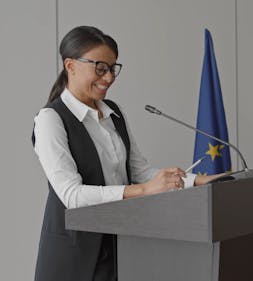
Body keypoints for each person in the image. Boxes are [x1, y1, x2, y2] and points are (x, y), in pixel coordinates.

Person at [32, 26, 219, 281]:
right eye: (100, 68)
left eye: (112, 68)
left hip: (122, 242)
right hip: (75, 254)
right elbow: (72, 195)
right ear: (70, 65)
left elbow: (140, 172)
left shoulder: (113, 112)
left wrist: (197, 181)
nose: (108, 78)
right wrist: (143, 191)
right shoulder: (50, 119)